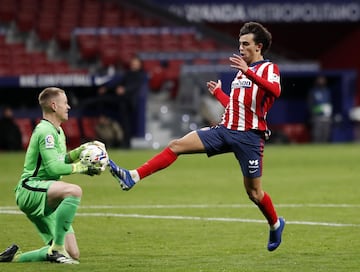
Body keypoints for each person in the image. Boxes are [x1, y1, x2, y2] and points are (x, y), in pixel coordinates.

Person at [109, 22, 285, 251]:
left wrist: (247, 71)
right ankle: (133, 176)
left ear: (258, 47)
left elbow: (275, 91)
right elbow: (237, 107)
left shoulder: (268, 68)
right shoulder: (242, 73)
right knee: (176, 146)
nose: (240, 48)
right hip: (224, 130)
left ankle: (275, 224)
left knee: (254, 193)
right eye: (239, 43)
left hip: (249, 137)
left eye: (245, 44)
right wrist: (219, 93)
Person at [0, 87, 103, 264]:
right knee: (74, 191)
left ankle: (13, 258)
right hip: (31, 189)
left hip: (47, 194)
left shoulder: (58, 131)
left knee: (72, 253)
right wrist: (83, 168)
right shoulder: (45, 131)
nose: (69, 107)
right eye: (65, 103)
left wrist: (81, 150)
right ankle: (56, 249)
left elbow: (60, 159)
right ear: (54, 106)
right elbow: (54, 168)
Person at [97, 56, 147, 149]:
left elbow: (134, 87)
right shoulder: (128, 74)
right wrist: (106, 88)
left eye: (136, 64)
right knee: (124, 123)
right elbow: (117, 82)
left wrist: (125, 90)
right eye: (133, 63)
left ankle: (127, 143)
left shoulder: (140, 75)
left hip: (131, 103)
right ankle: (123, 142)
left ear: (140, 65)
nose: (134, 66)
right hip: (122, 102)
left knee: (127, 124)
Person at [307, 75, 333, 143]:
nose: (321, 81)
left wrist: (328, 109)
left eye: (323, 79)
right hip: (317, 117)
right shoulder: (313, 92)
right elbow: (310, 106)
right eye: (320, 79)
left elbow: (330, 103)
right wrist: (320, 109)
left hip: (326, 117)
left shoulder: (327, 91)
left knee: (326, 136)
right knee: (316, 136)